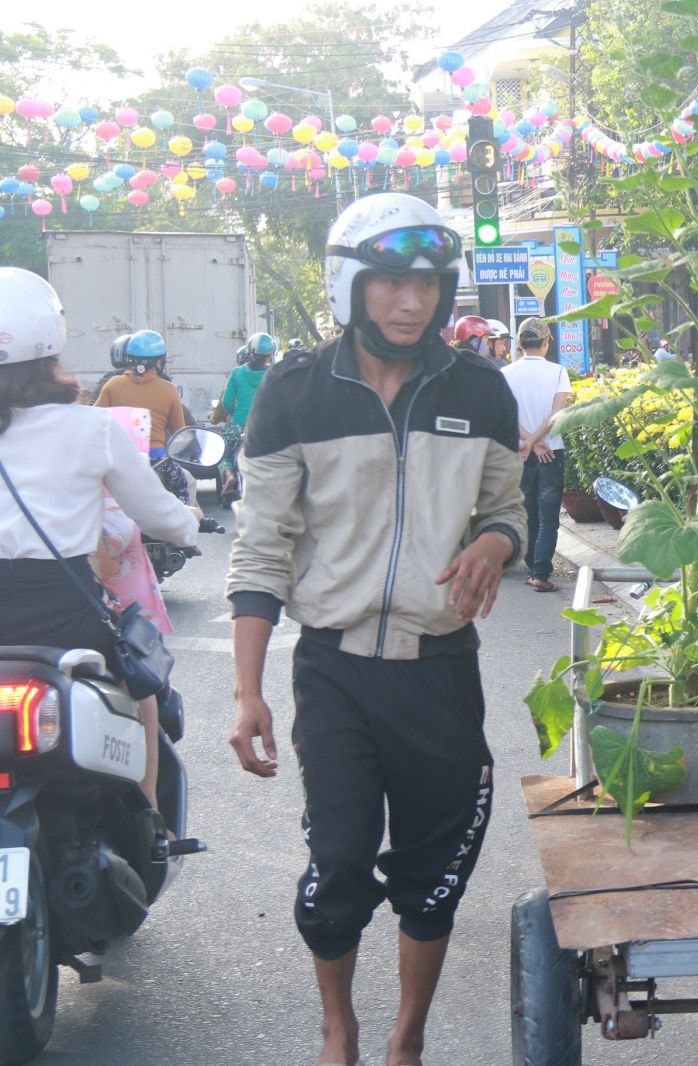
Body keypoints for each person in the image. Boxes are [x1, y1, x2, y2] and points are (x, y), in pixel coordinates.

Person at [225, 193, 527, 1066]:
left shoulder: (481, 390)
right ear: (351, 283)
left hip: (440, 668)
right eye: (391, 281)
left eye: (428, 284)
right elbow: (260, 554)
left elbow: (504, 508)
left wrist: (498, 541)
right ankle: (339, 1030)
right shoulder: (294, 393)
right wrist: (247, 694)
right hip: (336, 670)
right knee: (339, 865)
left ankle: (406, 1039)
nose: (412, 302)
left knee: (434, 875)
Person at [0, 268, 199, 809]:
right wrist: (190, 523)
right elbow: (160, 515)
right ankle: (150, 819)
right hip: (65, 616)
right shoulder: (90, 428)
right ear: (50, 349)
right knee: (144, 691)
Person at [499, 319, 571, 592]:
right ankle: (541, 572)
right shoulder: (558, 372)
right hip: (551, 453)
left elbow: (506, 414)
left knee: (527, 512)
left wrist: (527, 441)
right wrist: (538, 441)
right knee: (549, 515)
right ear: (547, 342)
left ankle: (532, 568)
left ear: (519, 343)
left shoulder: (506, 374)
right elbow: (557, 415)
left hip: (520, 454)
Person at [96, 329, 187, 456]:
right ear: (159, 362)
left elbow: (96, 422)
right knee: (186, 477)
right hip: (156, 460)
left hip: (118, 458)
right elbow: (180, 433)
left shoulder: (112, 384)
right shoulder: (169, 389)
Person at [215, 331, 276, 500]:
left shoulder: (236, 373)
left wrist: (235, 414)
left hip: (237, 426)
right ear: (270, 355)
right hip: (263, 428)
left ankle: (229, 476)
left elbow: (226, 402)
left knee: (223, 455)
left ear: (250, 352)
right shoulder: (274, 373)